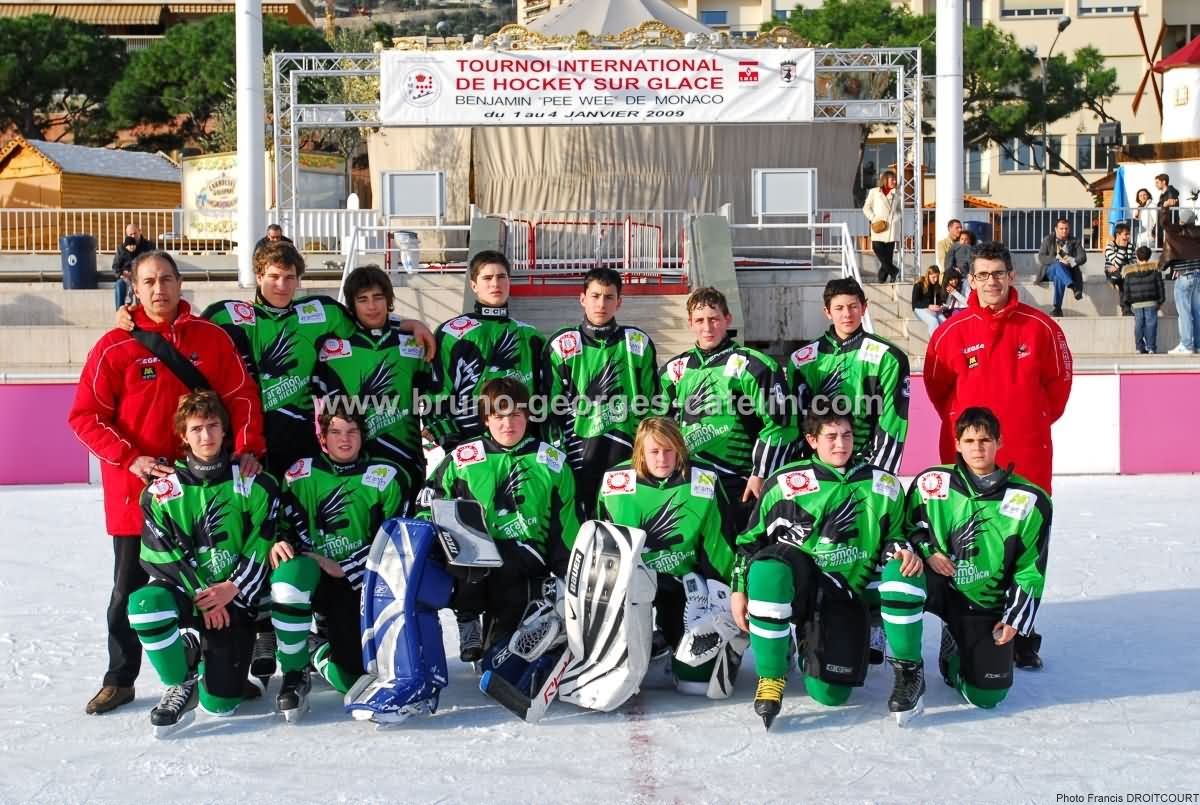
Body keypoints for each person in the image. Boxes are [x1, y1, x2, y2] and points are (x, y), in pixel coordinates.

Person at [68, 251, 265, 716]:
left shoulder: (211, 338)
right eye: (149, 281)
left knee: (213, 576)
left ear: (180, 284)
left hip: (207, 490)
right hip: (138, 493)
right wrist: (130, 458)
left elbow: (241, 396)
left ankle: (218, 667)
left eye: (167, 279)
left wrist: (247, 446)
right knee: (129, 588)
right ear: (134, 288)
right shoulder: (115, 346)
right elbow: (85, 417)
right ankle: (120, 678)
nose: (160, 289)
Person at [924, 240, 1071, 670]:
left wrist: (1029, 422)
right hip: (966, 462)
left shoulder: (1042, 328)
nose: (991, 282)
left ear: (1012, 276)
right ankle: (958, 627)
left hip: (1026, 457)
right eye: (983, 275)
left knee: (1024, 546)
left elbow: (1058, 389)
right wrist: (967, 432)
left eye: (999, 274)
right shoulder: (950, 331)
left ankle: (1022, 631)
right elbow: (938, 390)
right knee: (966, 544)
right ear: (971, 280)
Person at [730, 410, 927, 729]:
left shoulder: (883, 484)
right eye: (831, 437)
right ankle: (771, 675)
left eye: (846, 436)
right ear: (812, 440)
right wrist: (738, 589)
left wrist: (903, 550)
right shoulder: (784, 482)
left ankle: (902, 666)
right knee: (768, 569)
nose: (840, 444)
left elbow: (897, 534)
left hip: (846, 596)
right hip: (804, 586)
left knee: (831, 695)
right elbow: (750, 542)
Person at [126, 391, 278, 733]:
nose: (206, 435)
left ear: (225, 430)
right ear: (183, 435)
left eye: (212, 426)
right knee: (144, 605)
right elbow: (162, 555)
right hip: (191, 594)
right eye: (196, 429)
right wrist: (204, 596)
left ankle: (203, 652)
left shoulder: (258, 484)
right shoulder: (160, 492)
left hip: (234, 597)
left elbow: (262, 543)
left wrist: (231, 588)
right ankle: (179, 681)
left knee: (221, 705)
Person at [421, 378, 580, 662]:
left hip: (525, 559)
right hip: (473, 560)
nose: (508, 424)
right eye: (499, 416)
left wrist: (566, 572)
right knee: (468, 551)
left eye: (516, 414)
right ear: (486, 419)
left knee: (500, 651)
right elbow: (430, 503)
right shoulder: (462, 459)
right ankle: (467, 616)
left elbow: (566, 522)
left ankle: (497, 649)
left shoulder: (552, 462)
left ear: (527, 415)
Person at [268, 406, 409, 720]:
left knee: (352, 679)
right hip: (311, 574)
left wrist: (348, 567)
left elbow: (397, 540)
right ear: (322, 438)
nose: (344, 439)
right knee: (289, 576)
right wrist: (279, 540)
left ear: (363, 435)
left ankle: (313, 649)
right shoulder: (298, 474)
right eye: (335, 432)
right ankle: (293, 672)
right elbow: (279, 525)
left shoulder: (387, 476)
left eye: (352, 432)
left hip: (358, 582)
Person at [904, 407, 1050, 710]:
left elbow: (1030, 569)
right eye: (969, 441)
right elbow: (906, 527)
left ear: (999, 442)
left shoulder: (1031, 499)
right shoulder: (932, 482)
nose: (978, 448)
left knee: (987, 696)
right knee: (899, 575)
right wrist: (929, 552)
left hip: (983, 602)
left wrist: (1014, 619)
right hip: (939, 583)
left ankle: (954, 656)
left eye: (985, 440)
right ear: (957, 444)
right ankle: (906, 668)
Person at [594, 417, 738, 694]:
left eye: (669, 450)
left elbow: (719, 543)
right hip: (631, 587)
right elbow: (601, 546)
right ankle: (647, 644)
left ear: (680, 449)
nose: (662, 458)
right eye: (654, 451)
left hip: (684, 587)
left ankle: (680, 642)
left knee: (695, 684)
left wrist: (723, 596)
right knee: (616, 673)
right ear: (640, 451)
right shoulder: (615, 482)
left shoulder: (703, 480)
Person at [660, 287, 795, 532]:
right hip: (689, 477)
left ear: (727, 319)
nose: (707, 327)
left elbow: (780, 424)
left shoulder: (754, 365)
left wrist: (761, 473)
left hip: (740, 479)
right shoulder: (674, 369)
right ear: (690, 323)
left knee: (740, 543)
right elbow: (658, 426)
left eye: (714, 319)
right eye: (700, 320)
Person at [312, 265, 432, 506]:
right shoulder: (332, 350)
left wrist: (432, 422)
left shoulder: (413, 344)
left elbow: (432, 394)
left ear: (389, 300)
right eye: (363, 299)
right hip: (356, 460)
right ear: (352, 305)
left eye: (378, 297)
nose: (372, 306)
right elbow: (321, 409)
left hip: (406, 455)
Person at [543, 268, 660, 516]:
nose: (601, 304)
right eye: (595, 296)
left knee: (624, 526)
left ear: (619, 301)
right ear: (582, 298)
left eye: (609, 297)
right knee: (582, 528)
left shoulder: (638, 342)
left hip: (628, 457)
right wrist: (558, 456)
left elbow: (654, 408)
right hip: (577, 459)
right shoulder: (561, 344)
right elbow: (548, 411)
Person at [786, 278, 909, 474]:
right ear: (827, 312)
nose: (847, 314)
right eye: (839, 308)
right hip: (816, 468)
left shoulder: (888, 357)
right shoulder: (802, 360)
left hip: (866, 467)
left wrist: (879, 473)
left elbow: (893, 422)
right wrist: (801, 468)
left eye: (853, 306)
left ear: (864, 308)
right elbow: (796, 421)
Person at [426, 250, 545, 451]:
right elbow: (435, 392)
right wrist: (450, 441)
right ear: (474, 285)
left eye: (501, 277)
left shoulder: (531, 335)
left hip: (522, 447)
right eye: (487, 278)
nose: (495, 284)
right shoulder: (451, 333)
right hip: (467, 446)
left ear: (509, 282)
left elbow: (545, 395)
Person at [1035, 217, 1087, 317]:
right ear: (1056, 229)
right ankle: (1073, 286)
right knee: (1057, 265)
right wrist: (1057, 260)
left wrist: (1071, 261)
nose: (1064, 231)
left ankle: (1057, 309)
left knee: (1059, 277)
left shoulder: (1074, 241)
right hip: (1050, 270)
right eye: (1061, 228)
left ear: (1069, 229)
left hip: (1067, 270)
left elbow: (1083, 257)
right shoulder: (1048, 239)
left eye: (1066, 228)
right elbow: (1041, 257)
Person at [1121, 246, 1165, 354]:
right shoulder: (1155, 271)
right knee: (1151, 325)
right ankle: (1151, 347)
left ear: (1137, 256)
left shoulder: (1129, 273)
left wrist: (1126, 304)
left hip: (1136, 304)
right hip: (1151, 303)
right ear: (1149, 256)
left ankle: (1139, 347)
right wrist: (1160, 301)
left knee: (1139, 325)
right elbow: (1160, 287)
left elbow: (1126, 290)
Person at [862, 170, 901, 282]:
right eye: (892, 179)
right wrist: (873, 218)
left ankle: (882, 279)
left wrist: (895, 219)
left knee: (888, 257)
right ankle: (894, 271)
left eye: (895, 179)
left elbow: (899, 210)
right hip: (878, 226)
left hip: (891, 228)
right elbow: (866, 208)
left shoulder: (897, 193)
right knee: (877, 249)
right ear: (885, 180)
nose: (894, 181)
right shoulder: (874, 192)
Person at [111, 223, 152, 310]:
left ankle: (143, 312)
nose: (133, 236)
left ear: (140, 232)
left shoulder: (149, 246)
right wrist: (121, 274)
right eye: (130, 234)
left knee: (144, 285)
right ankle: (121, 312)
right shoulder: (122, 248)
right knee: (119, 284)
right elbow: (115, 267)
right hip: (126, 277)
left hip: (142, 276)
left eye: (135, 233)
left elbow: (154, 263)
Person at [1104, 223, 1136, 316]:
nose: (1128, 237)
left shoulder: (1130, 246)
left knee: (1126, 280)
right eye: (1126, 234)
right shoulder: (1110, 246)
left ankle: (1126, 309)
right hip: (1112, 272)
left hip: (1125, 271)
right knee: (1121, 278)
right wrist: (1122, 248)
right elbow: (1115, 263)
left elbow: (1134, 262)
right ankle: (1112, 281)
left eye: (1129, 234)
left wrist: (1121, 265)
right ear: (1118, 235)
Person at [911, 265, 948, 335]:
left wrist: (941, 306)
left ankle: (944, 340)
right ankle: (934, 341)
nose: (936, 279)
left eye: (937, 277)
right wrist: (928, 306)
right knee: (933, 321)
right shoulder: (919, 284)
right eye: (933, 277)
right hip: (919, 308)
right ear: (928, 275)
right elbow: (914, 303)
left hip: (932, 309)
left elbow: (939, 300)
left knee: (946, 322)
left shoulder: (936, 286)